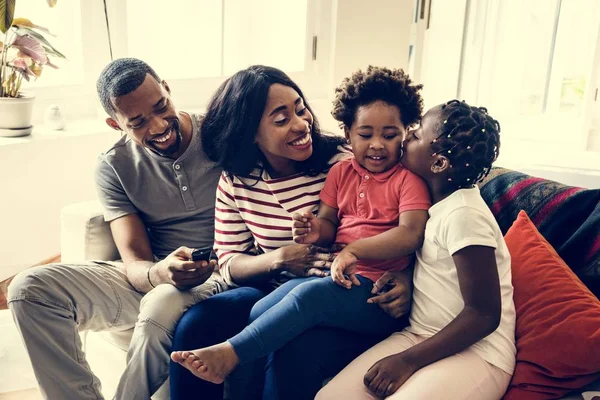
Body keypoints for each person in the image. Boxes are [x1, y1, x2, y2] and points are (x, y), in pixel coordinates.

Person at [171, 66, 431, 387]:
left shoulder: (348, 160)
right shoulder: (238, 180)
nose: (301, 123)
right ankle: (232, 367)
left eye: (300, 109)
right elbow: (229, 262)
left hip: (346, 283)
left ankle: (231, 354)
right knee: (201, 323)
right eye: (281, 120)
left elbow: (413, 232)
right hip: (277, 284)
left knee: (297, 326)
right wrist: (282, 256)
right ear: (249, 132)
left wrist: (406, 276)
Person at [7, 57, 229, 400]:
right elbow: (135, 264)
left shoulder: (219, 135)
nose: (158, 126)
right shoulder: (114, 165)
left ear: (168, 90)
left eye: (161, 107)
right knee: (28, 289)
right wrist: (160, 272)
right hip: (155, 275)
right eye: (138, 121)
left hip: (224, 272)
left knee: (163, 302)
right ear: (116, 124)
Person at [316, 100, 517, 400]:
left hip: (479, 353)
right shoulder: (432, 205)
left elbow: (484, 315)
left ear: (438, 164)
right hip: (420, 335)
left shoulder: (464, 215)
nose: (408, 135)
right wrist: (405, 274)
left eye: (418, 133)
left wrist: (407, 361)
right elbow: (438, 266)